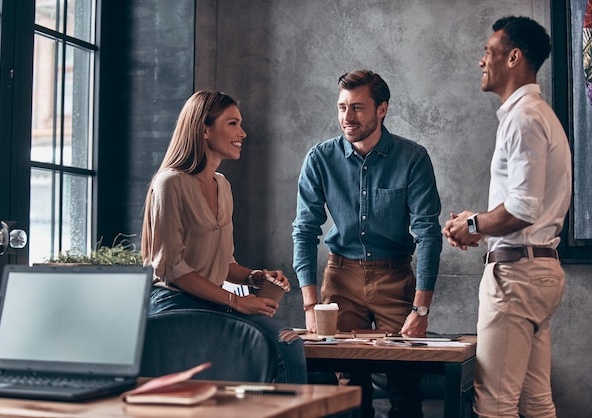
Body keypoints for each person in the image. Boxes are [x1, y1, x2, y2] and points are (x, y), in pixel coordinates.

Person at [292, 70, 442, 418]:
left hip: (394, 277)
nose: (347, 117)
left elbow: (428, 233)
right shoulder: (320, 158)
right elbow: (304, 230)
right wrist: (310, 305)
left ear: (382, 109)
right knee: (350, 393)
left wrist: (421, 309)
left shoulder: (413, 158)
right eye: (342, 107)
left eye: (357, 108)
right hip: (340, 276)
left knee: (405, 387)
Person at [442, 16, 571, 418]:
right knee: (536, 404)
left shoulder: (524, 117)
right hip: (536, 271)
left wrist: (474, 225)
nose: (482, 61)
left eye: (488, 51)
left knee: (494, 406)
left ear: (513, 57)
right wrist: (478, 227)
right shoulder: (539, 114)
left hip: (516, 278)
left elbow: (522, 208)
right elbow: (526, 210)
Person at [141, 89, 307, 384]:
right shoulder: (170, 183)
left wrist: (256, 278)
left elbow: (224, 264)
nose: (242, 132)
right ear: (205, 129)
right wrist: (237, 302)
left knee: (288, 339)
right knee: (275, 345)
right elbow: (172, 268)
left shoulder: (223, 185)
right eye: (232, 124)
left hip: (213, 303)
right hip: (174, 303)